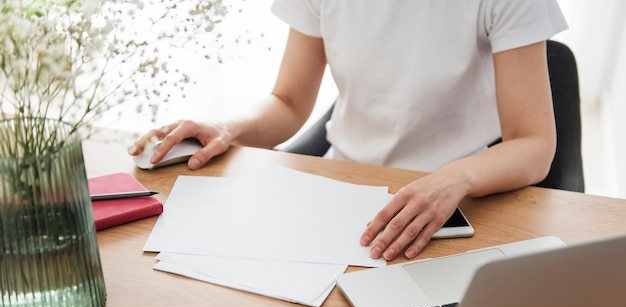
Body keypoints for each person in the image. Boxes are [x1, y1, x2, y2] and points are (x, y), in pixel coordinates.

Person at [128, 0, 568, 261]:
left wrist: (453, 178)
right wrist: (228, 127)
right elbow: (289, 102)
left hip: (463, 206)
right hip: (345, 199)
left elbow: (533, 143)